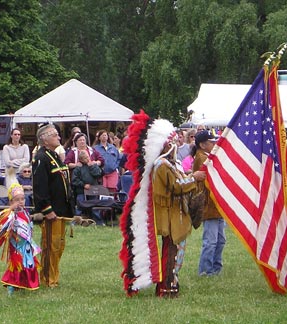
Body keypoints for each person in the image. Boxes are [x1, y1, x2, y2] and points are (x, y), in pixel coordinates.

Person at [119, 111, 206, 298]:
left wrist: (190, 177)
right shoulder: (162, 164)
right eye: (173, 141)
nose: (176, 144)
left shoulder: (171, 163)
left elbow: (180, 180)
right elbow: (176, 186)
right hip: (170, 214)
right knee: (172, 250)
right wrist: (194, 178)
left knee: (176, 251)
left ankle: (171, 283)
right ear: (165, 143)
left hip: (177, 212)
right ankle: (166, 287)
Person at [33, 124, 74, 288]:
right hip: (51, 211)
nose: (58, 137)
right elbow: (40, 186)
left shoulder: (54, 155)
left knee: (59, 245)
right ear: (45, 139)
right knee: (51, 245)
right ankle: (47, 279)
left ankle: (54, 276)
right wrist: (46, 209)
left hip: (61, 209)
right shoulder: (41, 157)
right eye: (55, 135)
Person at [193, 130, 226, 276]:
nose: (214, 144)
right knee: (211, 240)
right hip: (208, 203)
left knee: (220, 240)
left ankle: (215, 267)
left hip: (216, 204)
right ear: (202, 144)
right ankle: (206, 270)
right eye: (211, 142)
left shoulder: (208, 156)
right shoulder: (202, 158)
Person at [71, 150, 104, 225]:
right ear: (81, 160)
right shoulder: (78, 168)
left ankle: (98, 221)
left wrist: (92, 166)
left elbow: (98, 174)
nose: (88, 159)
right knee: (79, 206)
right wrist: (83, 185)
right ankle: (75, 221)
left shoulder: (93, 165)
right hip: (81, 190)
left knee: (94, 206)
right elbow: (74, 180)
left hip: (93, 190)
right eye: (85, 158)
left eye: (88, 157)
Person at [93, 129, 121, 194]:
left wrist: (115, 166)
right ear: (99, 137)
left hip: (112, 172)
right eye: (102, 135)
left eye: (105, 135)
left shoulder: (113, 147)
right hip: (101, 174)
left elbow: (118, 158)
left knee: (113, 191)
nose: (104, 137)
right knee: (103, 191)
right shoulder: (95, 148)